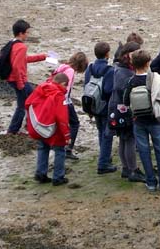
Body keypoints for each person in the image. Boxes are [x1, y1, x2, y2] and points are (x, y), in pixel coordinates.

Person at [123, 49, 160, 194]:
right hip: (155, 119)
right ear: (148, 63)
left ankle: (150, 182)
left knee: (144, 151)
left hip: (138, 121)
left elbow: (125, 101)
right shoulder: (156, 79)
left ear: (133, 64)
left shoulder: (131, 81)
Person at [109, 42, 145, 182]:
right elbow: (125, 91)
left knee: (123, 139)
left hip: (117, 109)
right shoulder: (124, 73)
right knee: (129, 139)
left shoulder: (119, 69)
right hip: (123, 111)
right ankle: (133, 170)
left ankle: (126, 168)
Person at [25, 73, 70, 187]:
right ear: (63, 83)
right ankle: (58, 177)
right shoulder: (58, 95)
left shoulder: (41, 88)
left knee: (43, 147)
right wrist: (66, 134)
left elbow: (28, 103)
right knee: (60, 150)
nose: (66, 88)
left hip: (40, 125)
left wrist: (33, 120)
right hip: (54, 128)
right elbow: (61, 117)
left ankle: (41, 174)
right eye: (66, 85)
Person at [6, 19, 47, 135]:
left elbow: (23, 60)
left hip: (12, 79)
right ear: (21, 33)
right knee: (24, 104)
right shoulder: (21, 47)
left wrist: (42, 57)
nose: (28, 35)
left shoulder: (12, 43)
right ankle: (14, 130)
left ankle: (25, 125)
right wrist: (20, 84)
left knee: (30, 100)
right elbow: (16, 66)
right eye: (27, 32)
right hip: (19, 80)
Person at [83, 41, 116, 174]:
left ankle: (105, 157)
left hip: (93, 105)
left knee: (101, 131)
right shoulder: (110, 70)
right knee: (107, 135)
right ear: (107, 54)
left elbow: (86, 85)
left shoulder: (89, 68)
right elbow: (108, 90)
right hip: (105, 106)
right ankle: (103, 164)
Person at [50, 51, 88, 160]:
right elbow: (65, 89)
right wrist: (64, 104)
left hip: (54, 100)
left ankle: (57, 145)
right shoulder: (70, 72)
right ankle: (68, 149)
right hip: (63, 101)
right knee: (74, 123)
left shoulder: (62, 66)